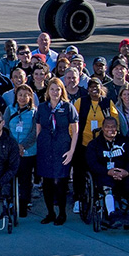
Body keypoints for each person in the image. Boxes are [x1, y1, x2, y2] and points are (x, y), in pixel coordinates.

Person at [35, 79, 77, 224]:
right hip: (46, 147)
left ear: (62, 91)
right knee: (47, 182)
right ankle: (50, 213)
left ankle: (62, 213)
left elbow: (75, 131)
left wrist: (71, 150)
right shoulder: (42, 108)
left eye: (58, 89)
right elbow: (38, 129)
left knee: (60, 182)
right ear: (48, 91)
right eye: (52, 89)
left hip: (62, 147)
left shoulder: (68, 107)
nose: (55, 92)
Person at [72, 80, 117, 215]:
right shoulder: (80, 102)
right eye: (91, 87)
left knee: (100, 170)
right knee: (79, 172)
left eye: (96, 87)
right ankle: (78, 199)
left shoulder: (107, 103)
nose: (94, 90)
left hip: (101, 145)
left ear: (101, 88)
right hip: (83, 143)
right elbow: (73, 121)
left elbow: (115, 121)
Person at [85, 117, 129, 230]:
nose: (111, 129)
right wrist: (107, 171)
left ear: (117, 128)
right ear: (102, 128)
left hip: (123, 174)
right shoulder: (94, 144)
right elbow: (92, 163)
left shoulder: (125, 141)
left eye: (113, 127)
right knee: (106, 184)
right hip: (105, 175)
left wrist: (126, 171)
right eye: (108, 127)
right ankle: (111, 214)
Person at [5, 84, 37, 217]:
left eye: (26, 95)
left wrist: (23, 145)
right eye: (20, 95)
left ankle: (24, 204)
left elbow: (35, 132)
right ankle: (10, 201)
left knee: (25, 179)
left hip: (28, 151)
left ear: (30, 97)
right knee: (11, 176)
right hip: (12, 150)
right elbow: (5, 127)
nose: (23, 98)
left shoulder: (34, 112)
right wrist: (15, 145)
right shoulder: (9, 109)